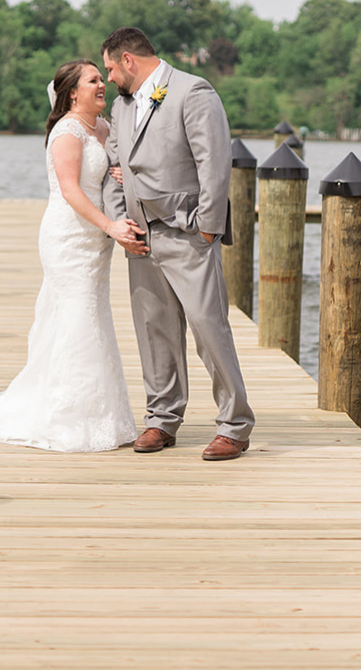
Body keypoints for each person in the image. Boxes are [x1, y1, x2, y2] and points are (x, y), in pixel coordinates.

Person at [0, 60, 142, 452]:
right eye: (93, 80)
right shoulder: (67, 132)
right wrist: (111, 227)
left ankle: (103, 414)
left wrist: (118, 176)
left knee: (92, 316)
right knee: (77, 316)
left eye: (102, 79)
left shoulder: (103, 128)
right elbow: (70, 191)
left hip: (95, 240)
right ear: (72, 93)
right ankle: (68, 416)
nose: (103, 85)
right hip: (69, 237)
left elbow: (105, 174)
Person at [101, 27, 255, 461]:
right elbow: (116, 165)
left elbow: (214, 161)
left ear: (128, 60)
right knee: (154, 329)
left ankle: (235, 425)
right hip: (140, 236)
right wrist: (120, 222)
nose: (109, 77)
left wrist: (208, 227)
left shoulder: (193, 92)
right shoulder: (121, 105)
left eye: (111, 68)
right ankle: (162, 418)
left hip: (186, 231)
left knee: (209, 327)